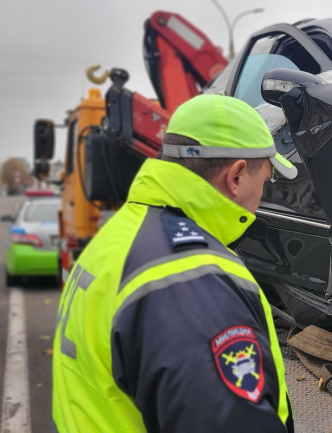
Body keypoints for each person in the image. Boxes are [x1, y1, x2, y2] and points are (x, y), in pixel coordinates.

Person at [52, 94, 297, 432]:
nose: (262, 196)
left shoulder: (118, 236)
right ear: (237, 176)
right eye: (265, 181)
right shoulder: (195, 284)